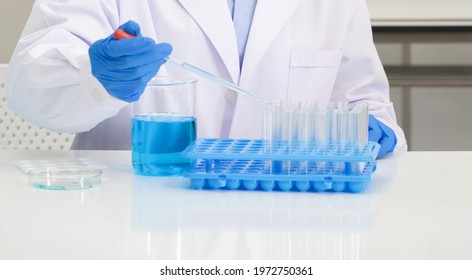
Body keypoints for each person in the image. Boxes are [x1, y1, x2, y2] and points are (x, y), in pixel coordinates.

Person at [6, 0, 406, 156]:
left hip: (287, 218)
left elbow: (364, 100)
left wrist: (376, 130)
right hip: (130, 215)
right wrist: (95, 77)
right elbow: (28, 83)